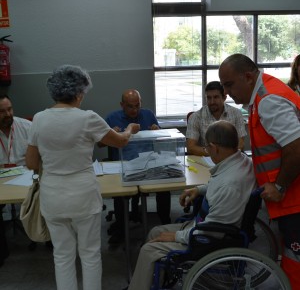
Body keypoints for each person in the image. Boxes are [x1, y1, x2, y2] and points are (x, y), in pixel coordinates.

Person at [25, 65, 140, 290]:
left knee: (62, 255)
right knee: (89, 255)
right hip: (83, 195)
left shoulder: (39, 119)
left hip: (52, 195)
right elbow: (121, 141)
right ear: (79, 93)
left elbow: (31, 163)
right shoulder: (88, 118)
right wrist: (129, 129)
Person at [127, 120, 257, 290]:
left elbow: (213, 230)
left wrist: (177, 237)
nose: (207, 152)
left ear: (214, 147)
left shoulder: (230, 184)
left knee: (148, 249)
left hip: (210, 239)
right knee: (155, 232)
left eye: (207, 149)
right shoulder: (241, 161)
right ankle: (152, 281)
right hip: (206, 225)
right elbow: (219, 186)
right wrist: (199, 189)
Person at [219, 53, 300, 289]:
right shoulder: (263, 96)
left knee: (296, 262)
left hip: (294, 198)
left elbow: (296, 148)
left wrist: (280, 185)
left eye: (229, 85)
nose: (227, 92)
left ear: (247, 76)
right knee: (290, 257)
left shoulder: (269, 100)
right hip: (289, 200)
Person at [103, 89, 171, 245]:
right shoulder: (112, 118)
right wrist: (110, 134)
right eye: (129, 106)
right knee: (120, 192)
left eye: (137, 106)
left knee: (165, 185)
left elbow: (161, 137)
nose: (134, 110)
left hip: (149, 162)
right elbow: (100, 143)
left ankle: (166, 222)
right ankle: (121, 228)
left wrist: (157, 131)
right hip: (123, 164)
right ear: (122, 105)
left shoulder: (148, 115)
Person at [0, 94, 32, 267]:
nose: (7, 114)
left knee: (43, 195)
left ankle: (46, 239)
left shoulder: (27, 126)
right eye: (2, 111)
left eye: (9, 109)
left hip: (25, 174)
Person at [186, 81, 247, 156]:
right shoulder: (196, 117)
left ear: (224, 97)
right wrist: (215, 154)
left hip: (230, 159)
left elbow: (241, 143)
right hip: (207, 159)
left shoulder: (236, 113)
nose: (212, 102)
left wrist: (224, 155)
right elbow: (191, 147)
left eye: (216, 97)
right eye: (209, 98)